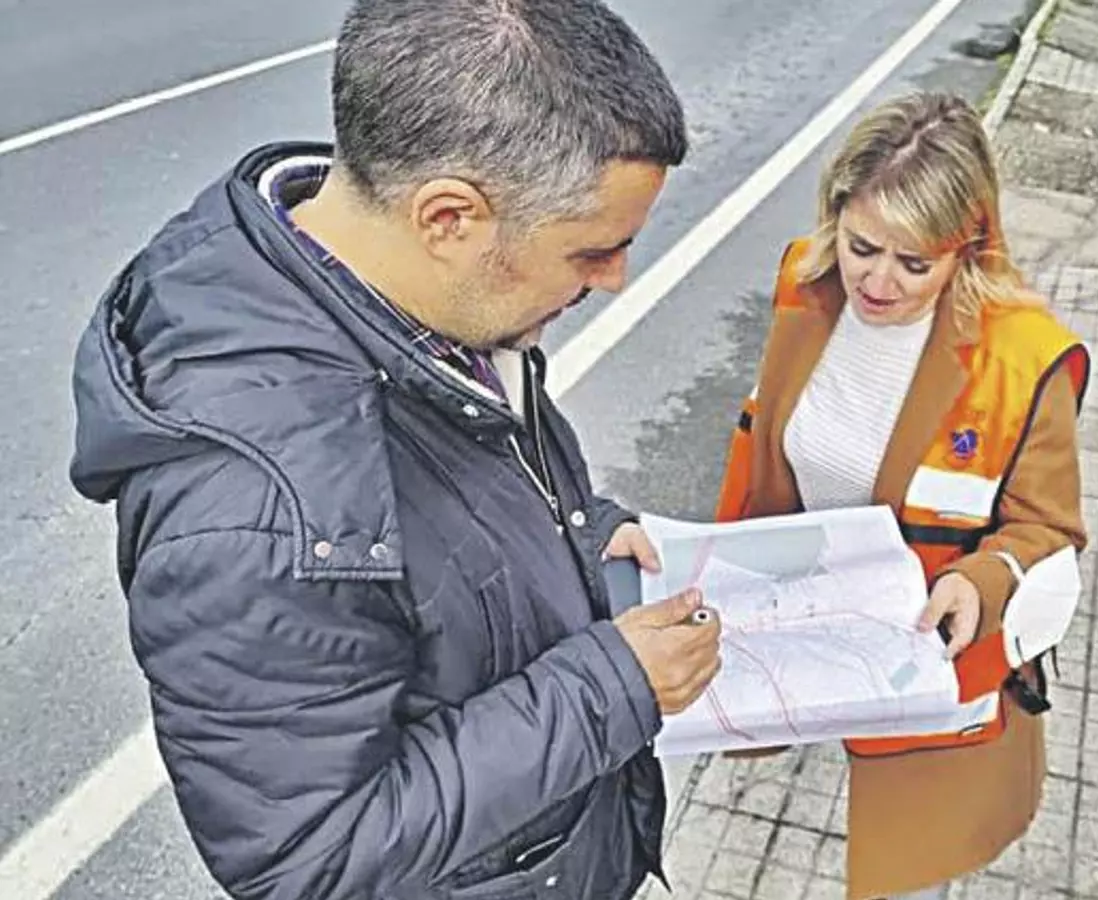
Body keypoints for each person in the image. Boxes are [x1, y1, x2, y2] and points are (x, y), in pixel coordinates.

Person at [66, 1, 722, 898]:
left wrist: (578, 536)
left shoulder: (394, 293)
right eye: (591, 253)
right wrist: (612, 688)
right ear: (448, 218)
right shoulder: (257, 515)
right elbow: (313, 856)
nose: (612, 280)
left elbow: (452, 497)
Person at [713, 91, 1092, 899]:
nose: (877, 283)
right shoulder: (807, 283)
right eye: (861, 247)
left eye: (915, 263)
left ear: (968, 249)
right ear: (835, 217)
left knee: (903, 862)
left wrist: (982, 581)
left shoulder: (1024, 358)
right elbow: (768, 440)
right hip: (799, 634)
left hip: (924, 672)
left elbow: (1047, 527)